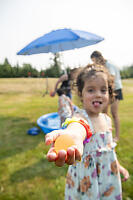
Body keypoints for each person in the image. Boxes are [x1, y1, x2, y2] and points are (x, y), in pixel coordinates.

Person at [45, 65, 129, 200]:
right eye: (91, 90)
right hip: (87, 178)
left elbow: (109, 149)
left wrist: (118, 166)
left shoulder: (107, 120)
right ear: (81, 94)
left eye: (103, 90)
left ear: (109, 93)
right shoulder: (82, 117)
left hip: (108, 175)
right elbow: (78, 126)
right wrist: (74, 134)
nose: (98, 94)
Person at [90, 51, 123, 141]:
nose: (94, 63)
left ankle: (116, 136)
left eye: (94, 61)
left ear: (99, 58)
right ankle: (106, 134)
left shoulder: (109, 65)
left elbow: (111, 79)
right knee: (104, 114)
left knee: (114, 113)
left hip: (116, 90)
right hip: (107, 91)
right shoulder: (102, 66)